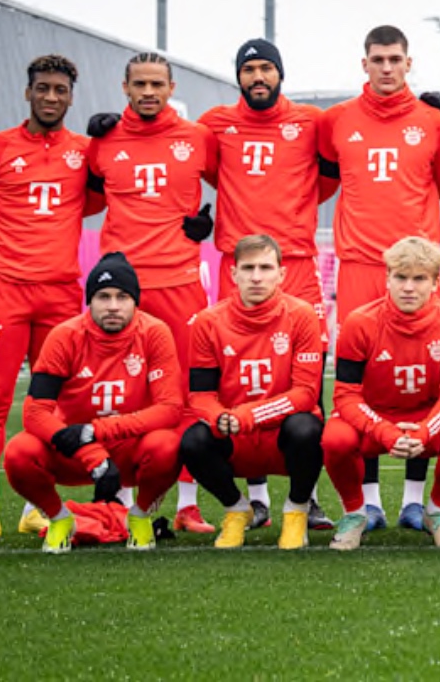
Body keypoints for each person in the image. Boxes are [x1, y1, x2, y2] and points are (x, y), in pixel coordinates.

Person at [317, 25, 440, 531]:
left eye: (394, 59)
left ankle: (415, 502)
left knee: (424, 379)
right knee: (369, 384)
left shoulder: (434, 122)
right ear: (364, 64)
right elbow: (315, 182)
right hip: (359, 265)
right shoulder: (335, 121)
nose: (386, 67)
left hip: (420, 270)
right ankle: (373, 502)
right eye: (377, 59)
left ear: (409, 63)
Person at [0, 54, 95, 542]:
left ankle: (39, 506)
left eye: (60, 90)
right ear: (27, 91)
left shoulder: (84, 153)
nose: (51, 97)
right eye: (43, 88)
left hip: (60, 295)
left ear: (71, 96)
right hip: (4, 294)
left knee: (54, 404)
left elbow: (109, 194)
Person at [198, 37, 336, 531]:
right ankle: (255, 497)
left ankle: (309, 495)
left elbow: (332, 174)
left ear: (281, 74)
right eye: (249, 69)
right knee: (238, 374)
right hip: (238, 263)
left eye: (266, 69)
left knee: (306, 378)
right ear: (238, 76)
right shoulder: (215, 122)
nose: (258, 77)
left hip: (296, 262)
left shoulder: (309, 122)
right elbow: (191, 163)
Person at [85, 50, 217, 533]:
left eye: (156, 84)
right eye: (139, 84)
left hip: (181, 282)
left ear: (171, 89)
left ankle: (186, 504)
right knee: (122, 393)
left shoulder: (198, 138)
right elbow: (86, 198)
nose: (147, 92)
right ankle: (117, 501)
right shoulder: (99, 142)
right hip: (122, 290)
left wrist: (207, 224)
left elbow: (237, 184)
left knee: (186, 394)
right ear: (124, 87)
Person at [2, 253, 183, 552]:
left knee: (168, 446)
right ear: (90, 300)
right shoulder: (64, 336)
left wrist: (97, 430)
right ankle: (60, 519)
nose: (113, 306)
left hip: (127, 447)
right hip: (74, 450)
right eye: (103, 297)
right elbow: (35, 413)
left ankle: (138, 516)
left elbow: (170, 408)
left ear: (135, 300)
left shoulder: (154, 332)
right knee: (19, 452)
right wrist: (91, 452)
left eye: (122, 297)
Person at [321, 237, 440, 551]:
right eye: (400, 277)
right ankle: (355, 514)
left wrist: (425, 430)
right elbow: (346, 396)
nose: (409, 287)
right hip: (375, 419)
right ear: (387, 279)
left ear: (435, 282)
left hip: (425, 418)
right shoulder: (359, 323)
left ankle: (437, 511)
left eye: (419, 278)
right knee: (335, 438)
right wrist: (384, 431)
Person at [179, 235, 327, 549]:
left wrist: (247, 415)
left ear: (281, 274)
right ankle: (237, 509)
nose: (256, 276)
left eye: (265, 267)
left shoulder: (301, 315)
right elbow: (200, 396)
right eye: (248, 268)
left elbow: (305, 394)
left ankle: (297, 510)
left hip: (279, 437)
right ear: (233, 274)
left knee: (308, 428)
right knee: (192, 440)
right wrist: (219, 418)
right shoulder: (208, 322)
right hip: (235, 437)